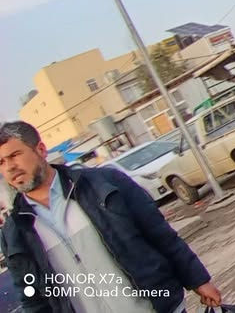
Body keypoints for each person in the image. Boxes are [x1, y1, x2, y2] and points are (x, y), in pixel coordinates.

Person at [0, 121, 222, 312]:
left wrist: (198, 280)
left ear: (40, 149)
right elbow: (32, 297)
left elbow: (160, 235)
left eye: (14, 155)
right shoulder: (15, 231)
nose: (10, 167)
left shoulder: (104, 184)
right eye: (1, 162)